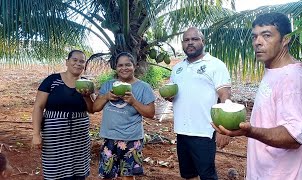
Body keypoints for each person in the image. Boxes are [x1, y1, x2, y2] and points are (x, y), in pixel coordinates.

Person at [212, 12, 302, 180]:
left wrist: (250, 131)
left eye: (267, 35)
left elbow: (293, 136)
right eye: (255, 37)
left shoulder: (292, 80)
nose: (258, 42)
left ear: (286, 39)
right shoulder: (276, 71)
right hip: (267, 172)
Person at [166, 27, 232, 180]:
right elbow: (176, 93)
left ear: (203, 41)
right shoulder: (177, 68)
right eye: (186, 40)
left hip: (204, 131)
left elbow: (225, 95)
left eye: (194, 39)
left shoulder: (215, 65)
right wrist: (170, 96)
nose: (190, 43)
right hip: (182, 131)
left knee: (207, 175)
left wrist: (224, 129)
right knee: (188, 174)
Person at [32, 50, 94, 180]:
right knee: (54, 171)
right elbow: (38, 107)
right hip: (54, 138)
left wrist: (87, 96)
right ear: (67, 62)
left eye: (82, 61)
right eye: (75, 60)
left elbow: (91, 109)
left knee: (78, 172)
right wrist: (36, 134)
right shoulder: (52, 80)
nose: (78, 64)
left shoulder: (87, 84)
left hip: (80, 138)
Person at [93, 52, 156, 180]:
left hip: (132, 138)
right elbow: (95, 108)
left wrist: (133, 102)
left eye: (128, 64)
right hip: (109, 137)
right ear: (116, 67)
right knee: (107, 175)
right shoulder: (108, 85)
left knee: (128, 176)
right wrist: (106, 97)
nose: (124, 68)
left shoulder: (143, 88)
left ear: (135, 66)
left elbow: (150, 113)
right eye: (120, 65)